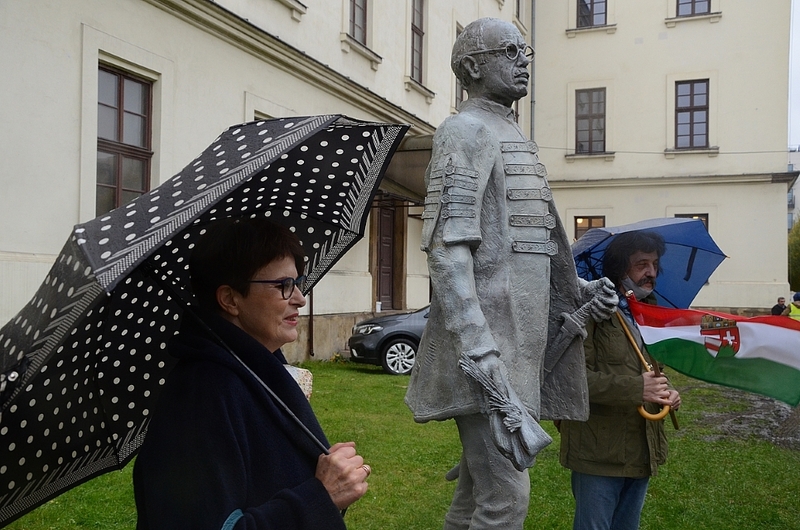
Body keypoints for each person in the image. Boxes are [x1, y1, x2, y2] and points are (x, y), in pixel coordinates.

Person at [404, 18, 616, 530]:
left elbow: (526, 248)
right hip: (489, 350)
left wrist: (580, 289)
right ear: (473, 66)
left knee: (476, 494)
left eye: (526, 51)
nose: (523, 61)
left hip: (520, 345)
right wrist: (480, 350)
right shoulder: (464, 130)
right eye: (509, 51)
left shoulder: (509, 130)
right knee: (506, 499)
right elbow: (447, 249)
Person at [133, 217, 369, 529]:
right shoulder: (201, 397)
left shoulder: (255, 371)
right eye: (283, 285)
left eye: (297, 282)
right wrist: (320, 496)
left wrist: (324, 477)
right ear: (230, 299)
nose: (300, 298)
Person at [558, 230, 682, 530]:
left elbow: (650, 371)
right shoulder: (590, 312)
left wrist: (666, 391)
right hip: (598, 450)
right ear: (618, 268)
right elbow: (573, 380)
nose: (651, 272)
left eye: (654, 264)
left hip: (641, 448)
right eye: (641, 264)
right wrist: (638, 388)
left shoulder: (650, 314)